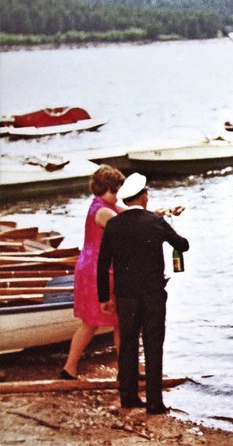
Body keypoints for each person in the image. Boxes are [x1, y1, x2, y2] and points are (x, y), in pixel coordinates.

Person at [97, 173, 189, 414]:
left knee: (127, 345)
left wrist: (104, 297)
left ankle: (128, 397)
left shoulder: (114, 224)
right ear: (144, 197)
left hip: (125, 296)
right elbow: (182, 245)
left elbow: (102, 262)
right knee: (153, 344)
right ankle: (154, 402)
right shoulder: (154, 222)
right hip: (152, 293)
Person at [61, 165, 125, 380]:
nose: (119, 195)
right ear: (106, 188)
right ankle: (124, 370)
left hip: (90, 267)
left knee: (95, 324)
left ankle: (70, 368)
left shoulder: (103, 205)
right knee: (114, 321)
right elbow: (129, 228)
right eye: (116, 191)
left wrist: (160, 213)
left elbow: (132, 214)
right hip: (98, 270)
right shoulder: (104, 211)